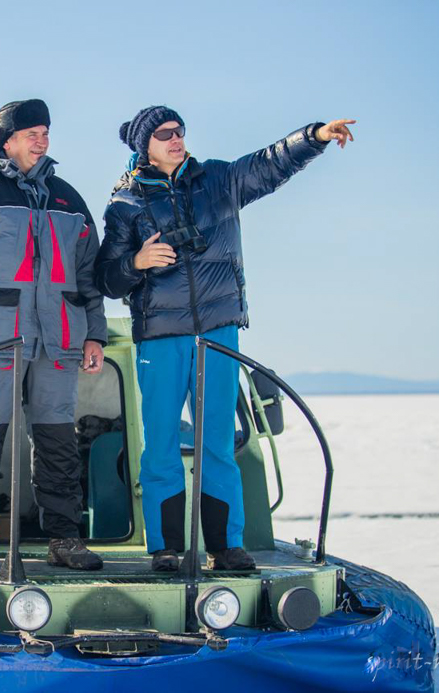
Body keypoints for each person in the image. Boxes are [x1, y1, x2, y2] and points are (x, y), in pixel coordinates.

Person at [95, 106, 355, 571]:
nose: (176, 139)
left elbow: (270, 163)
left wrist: (314, 136)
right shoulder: (125, 204)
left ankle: (225, 545)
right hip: (159, 336)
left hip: (217, 332)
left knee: (218, 441)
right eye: (164, 134)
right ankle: (166, 548)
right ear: (144, 146)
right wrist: (136, 262)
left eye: (179, 131)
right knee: (159, 445)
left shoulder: (217, 180)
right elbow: (107, 280)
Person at [0, 99, 108, 573]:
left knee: (58, 441)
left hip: (59, 341)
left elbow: (89, 275)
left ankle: (65, 541)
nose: (42, 140)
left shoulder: (69, 199)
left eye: (46, 132)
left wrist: (95, 334)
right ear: (5, 140)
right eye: (32, 133)